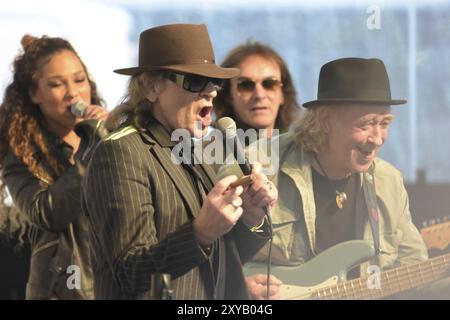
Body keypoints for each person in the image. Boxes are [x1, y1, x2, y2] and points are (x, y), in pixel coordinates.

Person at [81, 23, 278, 300]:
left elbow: (218, 260)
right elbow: (129, 272)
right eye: (195, 81)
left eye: (215, 82)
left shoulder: (195, 149)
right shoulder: (121, 152)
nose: (211, 91)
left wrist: (251, 218)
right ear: (151, 87)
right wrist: (200, 233)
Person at [236, 57, 441, 299]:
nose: (377, 138)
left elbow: (416, 277)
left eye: (384, 123)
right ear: (325, 120)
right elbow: (209, 259)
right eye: (365, 124)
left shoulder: (389, 182)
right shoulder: (257, 166)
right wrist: (238, 288)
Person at [0, 35, 109, 299]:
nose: (73, 92)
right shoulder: (22, 156)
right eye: (57, 84)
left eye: (79, 80)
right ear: (34, 94)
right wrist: (93, 147)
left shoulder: (111, 133)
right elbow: (48, 213)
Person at [214, 41, 300, 140]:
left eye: (269, 84)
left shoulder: (302, 151)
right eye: (246, 85)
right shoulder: (211, 153)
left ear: (283, 94)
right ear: (228, 95)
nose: (259, 95)